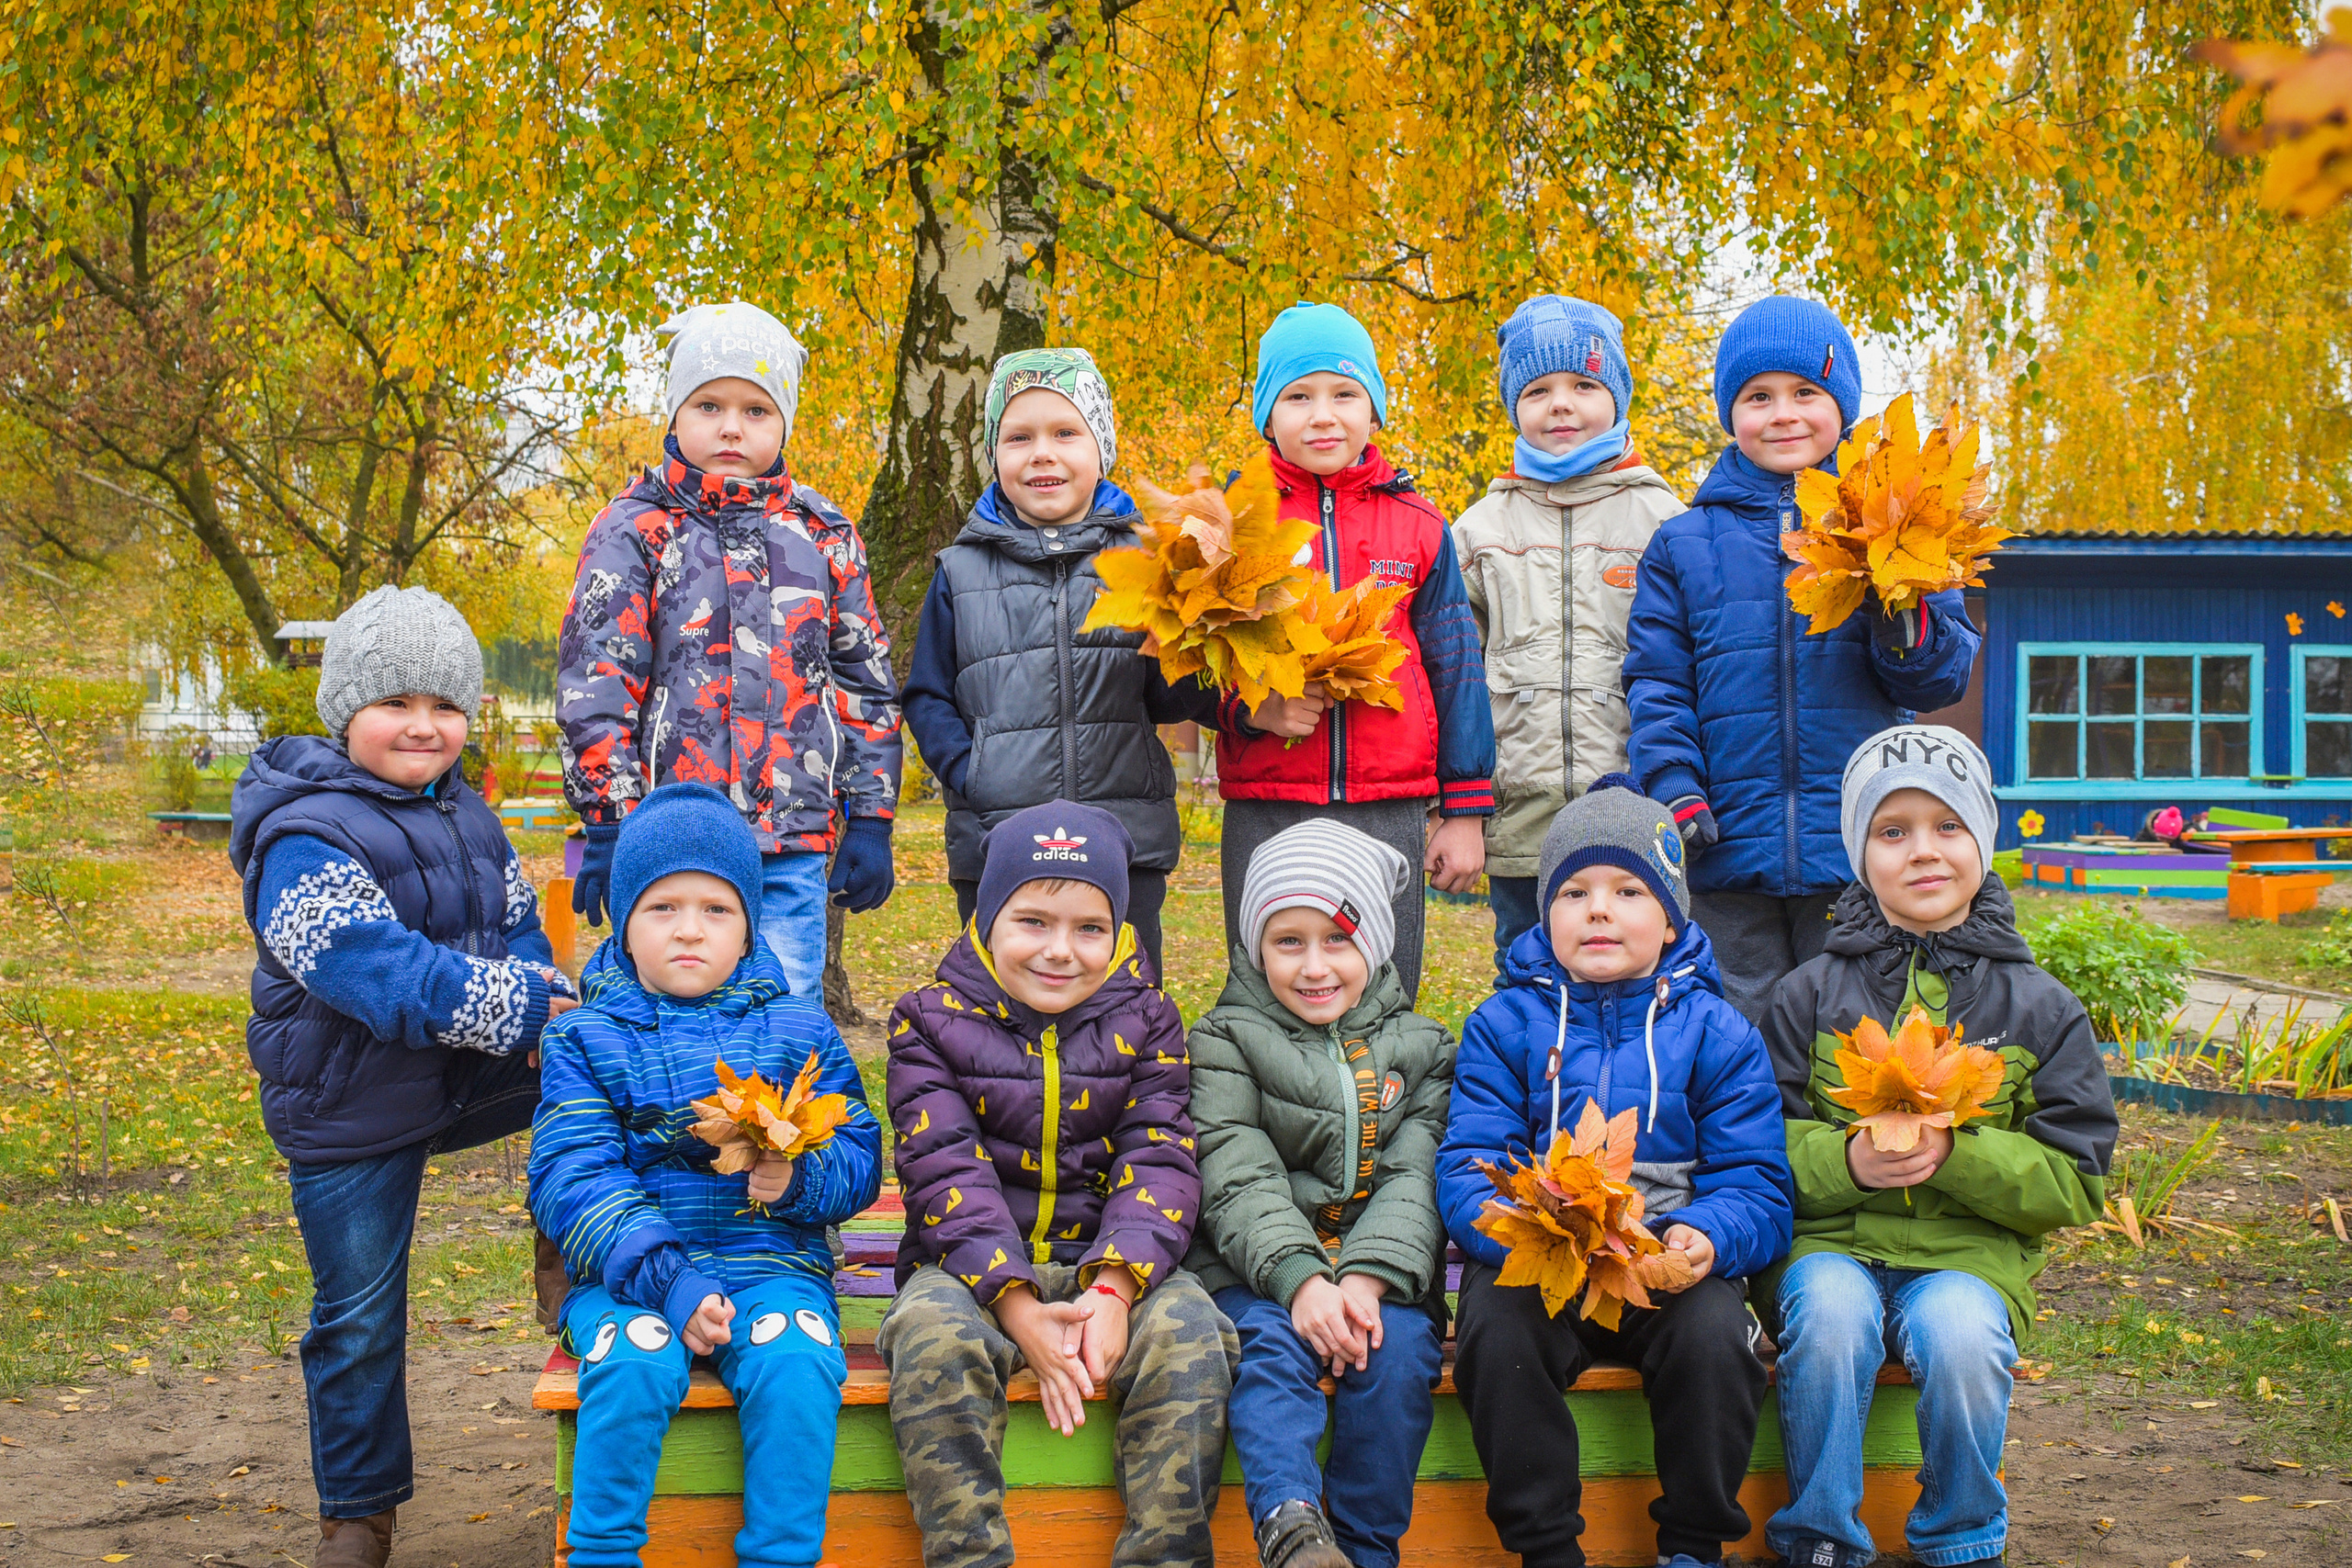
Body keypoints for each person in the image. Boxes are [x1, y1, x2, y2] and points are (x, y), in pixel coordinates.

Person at [228, 586, 577, 1568]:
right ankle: (358, 1512)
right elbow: (370, 970)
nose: (424, 727)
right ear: (345, 713)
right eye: (396, 704)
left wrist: (551, 1002)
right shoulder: (303, 834)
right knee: (359, 1315)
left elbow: (518, 934)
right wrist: (518, 1007)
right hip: (349, 1100)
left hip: (460, 1074)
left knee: (592, 1067)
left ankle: (572, 1242)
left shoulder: (471, 814)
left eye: (445, 705)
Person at [1761, 726, 2117, 1568]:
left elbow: (2077, 1177)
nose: (1924, 851)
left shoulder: (2040, 1005)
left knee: (1962, 1336)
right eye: (1893, 831)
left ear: (1982, 841)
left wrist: (1959, 1156)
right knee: (1831, 1319)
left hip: (1970, 1260)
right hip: (1831, 1247)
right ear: (1860, 854)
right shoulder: (1807, 993)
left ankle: (1962, 1538)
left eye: (1947, 825)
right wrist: (1845, 1161)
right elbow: (1756, 1143)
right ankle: (1821, 1537)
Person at [1437, 777, 1793, 1568]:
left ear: (1670, 920)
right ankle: (1546, 1545)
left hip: (1663, 1254)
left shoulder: (1718, 1031)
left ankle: (1695, 1544)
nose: (1598, 908)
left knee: (1714, 1342)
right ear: (1545, 914)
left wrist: (1709, 1236)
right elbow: (1469, 1161)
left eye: (1628, 889)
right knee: (1495, 1337)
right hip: (1544, 1253)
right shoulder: (1506, 1024)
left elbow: (1759, 1182)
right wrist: (1518, 1230)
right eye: (1574, 891)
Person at [528, 781, 882, 1568]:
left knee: (796, 1360)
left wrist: (800, 1180)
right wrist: (670, 1281)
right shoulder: (585, 1038)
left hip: (774, 1266)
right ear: (624, 922)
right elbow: (573, 1176)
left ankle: (781, 1554)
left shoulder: (798, 1027)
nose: (690, 929)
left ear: (750, 922)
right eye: (663, 908)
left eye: (716, 909)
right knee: (633, 1358)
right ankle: (603, 1551)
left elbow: (859, 1152)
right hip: (627, 1275)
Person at [878, 800, 1238, 1568]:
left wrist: (1113, 1290)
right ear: (986, 918)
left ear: (1118, 932)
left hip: (1108, 1264)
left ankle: (1166, 1555)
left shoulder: (1149, 1020)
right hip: (965, 1275)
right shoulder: (929, 1022)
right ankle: (969, 1555)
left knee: (1192, 1333)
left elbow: (1159, 1155)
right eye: (1033, 922)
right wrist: (1017, 1307)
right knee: (931, 1337)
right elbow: (945, 1170)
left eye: (1089, 928)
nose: (1061, 951)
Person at [1621, 296, 1981, 1021]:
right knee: (1735, 1021)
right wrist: (1674, 789)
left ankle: (1841, 1139)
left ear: (1841, 408)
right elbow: (1658, 683)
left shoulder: (1893, 525)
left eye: (1805, 393)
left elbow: (1939, 676)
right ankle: (1747, 1138)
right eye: (1759, 396)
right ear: (1731, 412)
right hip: (1724, 840)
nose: (1783, 413)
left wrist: (1903, 609)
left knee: (1849, 1021)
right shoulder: (1684, 543)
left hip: (1848, 844)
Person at [557, 299, 903, 998]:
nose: (731, 427)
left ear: (784, 422)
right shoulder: (636, 529)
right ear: (676, 412)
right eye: (709, 404)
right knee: (661, 1006)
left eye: (756, 410)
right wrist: (607, 817)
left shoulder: (823, 533)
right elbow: (596, 681)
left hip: (790, 840)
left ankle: (774, 1114)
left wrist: (871, 815)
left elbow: (863, 682)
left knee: (784, 1007)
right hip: (668, 833)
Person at [1186, 818, 1453, 1568]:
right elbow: (1235, 1170)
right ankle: (1292, 1526)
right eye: (1287, 941)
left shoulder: (1424, 1047)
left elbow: (1417, 1172)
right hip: (1256, 1268)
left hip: (1381, 1269)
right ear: (1252, 945)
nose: (1313, 966)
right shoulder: (1224, 1041)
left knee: (1395, 1352)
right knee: (1267, 1347)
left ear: (1373, 945)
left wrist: (1366, 1278)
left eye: (1336, 940)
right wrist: (1301, 1280)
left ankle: (1367, 1549)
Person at [900, 347, 1216, 977]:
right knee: (1001, 1009)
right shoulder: (959, 571)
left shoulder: (1145, 557)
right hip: (1001, 838)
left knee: (1124, 1008)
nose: (1041, 452)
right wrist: (974, 771)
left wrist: (1204, 647)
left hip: (1122, 838)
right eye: (1019, 437)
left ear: (1101, 447)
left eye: (1065, 432)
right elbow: (928, 695)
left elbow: (1169, 694)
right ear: (996, 454)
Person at [1216, 300, 1498, 1003]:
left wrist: (1462, 809)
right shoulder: (1233, 519)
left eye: (1345, 394)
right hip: (1268, 798)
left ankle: (1386, 1109)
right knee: (1265, 986)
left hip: (1387, 803)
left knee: (1384, 984)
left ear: (1373, 410)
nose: (1323, 414)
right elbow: (1192, 657)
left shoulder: (1419, 525)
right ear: (1266, 415)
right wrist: (1253, 709)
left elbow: (1457, 669)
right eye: (1298, 396)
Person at [1453, 295, 1685, 977]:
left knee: (1643, 976)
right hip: (1521, 819)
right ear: (1512, 405)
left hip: (1635, 812)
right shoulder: (1476, 533)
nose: (1562, 404)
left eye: (1584, 385)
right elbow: (1453, 684)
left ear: (1616, 396)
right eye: (1538, 390)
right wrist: (1454, 804)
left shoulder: (1664, 520)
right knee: (1527, 973)